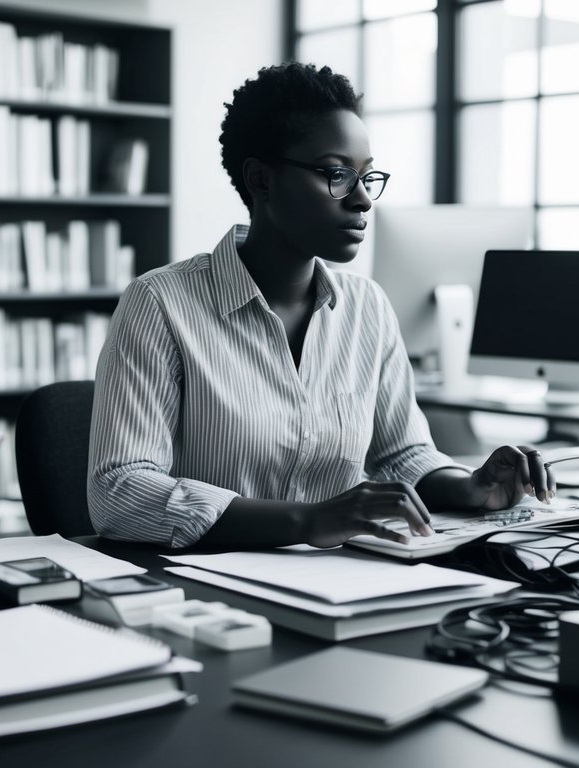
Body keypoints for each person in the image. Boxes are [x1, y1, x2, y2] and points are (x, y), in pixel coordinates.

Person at [86, 62, 554, 550]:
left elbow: (402, 454)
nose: (363, 200)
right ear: (262, 181)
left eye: (367, 177)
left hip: (340, 582)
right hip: (205, 590)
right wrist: (306, 522)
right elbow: (118, 490)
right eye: (336, 174)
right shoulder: (160, 303)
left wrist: (471, 485)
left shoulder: (367, 307)